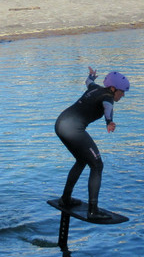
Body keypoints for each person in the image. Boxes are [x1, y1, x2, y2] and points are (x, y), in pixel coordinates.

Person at [55, 68, 130, 219]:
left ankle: (65, 199)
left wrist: (91, 76)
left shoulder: (96, 88)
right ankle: (93, 211)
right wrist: (109, 121)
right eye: (122, 91)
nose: (123, 95)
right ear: (113, 88)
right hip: (72, 129)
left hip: (60, 124)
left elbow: (88, 82)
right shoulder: (108, 96)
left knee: (82, 160)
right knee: (97, 165)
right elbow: (108, 108)